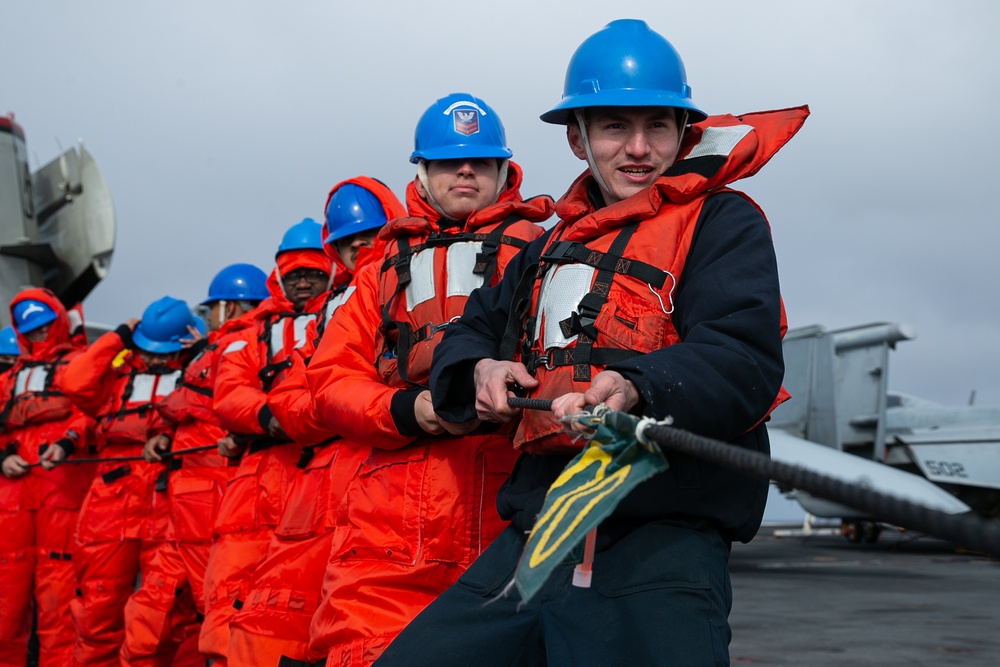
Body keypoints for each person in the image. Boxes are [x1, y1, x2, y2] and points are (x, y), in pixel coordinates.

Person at [376, 19, 805, 666]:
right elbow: (469, 332)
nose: (637, 148)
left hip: (660, 547)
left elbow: (741, 357)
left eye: (657, 126)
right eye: (612, 127)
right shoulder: (549, 247)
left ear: (683, 132)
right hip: (538, 534)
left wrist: (638, 386)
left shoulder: (723, 222)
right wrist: (479, 370)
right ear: (577, 139)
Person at [304, 93, 553, 665]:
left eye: (479, 162)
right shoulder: (379, 271)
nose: (465, 171)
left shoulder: (546, 250)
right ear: (421, 171)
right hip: (391, 508)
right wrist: (406, 411)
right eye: (448, 162)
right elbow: (329, 382)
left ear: (503, 171)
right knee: (364, 650)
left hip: (509, 502)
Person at [227, 177, 405, 666]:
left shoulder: (413, 279)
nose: (357, 249)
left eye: (367, 237)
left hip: (384, 473)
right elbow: (290, 394)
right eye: (347, 241)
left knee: (368, 626)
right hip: (319, 479)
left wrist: (335, 405)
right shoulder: (331, 308)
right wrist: (337, 406)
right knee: (271, 619)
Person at [199, 218, 334, 666]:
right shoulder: (250, 332)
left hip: (323, 472)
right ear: (277, 277)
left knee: (299, 602)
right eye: (293, 274)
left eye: (311, 273)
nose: (301, 282)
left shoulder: (345, 311)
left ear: (329, 270)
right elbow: (230, 392)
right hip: (258, 477)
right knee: (227, 590)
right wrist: (270, 417)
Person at [119, 263, 267, 666]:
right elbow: (185, 409)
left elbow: (237, 408)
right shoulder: (215, 350)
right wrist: (166, 436)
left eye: (213, 309)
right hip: (182, 508)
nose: (208, 318)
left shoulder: (247, 344)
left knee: (216, 614)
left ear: (231, 306)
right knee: (151, 614)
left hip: (215, 506)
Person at [62, 296, 206, 667]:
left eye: (165, 351)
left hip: (171, 501)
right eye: (149, 349)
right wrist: (117, 338)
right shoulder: (118, 374)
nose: (157, 358)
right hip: (111, 506)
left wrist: (204, 349)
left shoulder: (200, 370)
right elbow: (74, 382)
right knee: (97, 610)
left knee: (170, 613)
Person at [0, 290, 93, 666]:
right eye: (31, 331)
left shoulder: (80, 366)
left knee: (60, 608)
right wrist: (4, 456)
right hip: (13, 500)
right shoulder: (8, 379)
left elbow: (94, 412)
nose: (39, 337)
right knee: (5, 606)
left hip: (62, 492)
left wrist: (67, 443)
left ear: (57, 322)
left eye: (44, 328)